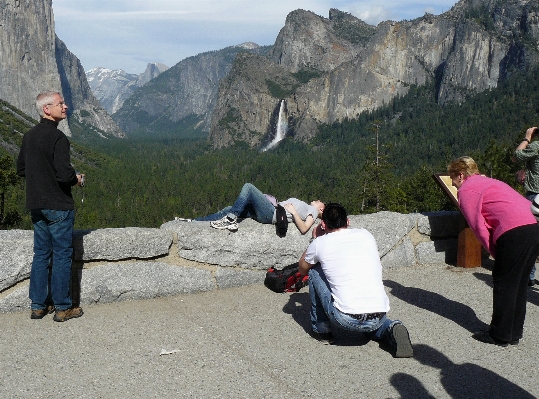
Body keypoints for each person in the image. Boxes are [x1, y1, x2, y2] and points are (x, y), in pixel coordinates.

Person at [298, 202, 414, 358]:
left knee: (314, 271)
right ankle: (392, 327)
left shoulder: (320, 243)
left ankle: (322, 330)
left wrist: (315, 239)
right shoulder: (365, 234)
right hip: (379, 314)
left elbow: (302, 268)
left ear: (323, 224)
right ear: (348, 221)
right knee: (373, 324)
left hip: (346, 319)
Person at [448, 156, 539, 346]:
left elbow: (478, 227)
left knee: (504, 283)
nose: (454, 184)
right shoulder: (489, 181)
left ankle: (499, 335)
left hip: (512, 232)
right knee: (519, 283)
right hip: (533, 226)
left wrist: (495, 252)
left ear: (461, 175)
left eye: (453, 178)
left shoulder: (466, 190)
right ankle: (513, 333)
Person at [17, 91, 85, 322]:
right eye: (60, 103)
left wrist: (41, 174)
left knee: (41, 254)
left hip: (36, 205)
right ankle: (63, 307)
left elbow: (22, 170)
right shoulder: (58, 138)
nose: (65, 107)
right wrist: (77, 178)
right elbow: (64, 174)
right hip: (58, 205)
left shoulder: (28, 136)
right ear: (47, 109)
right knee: (63, 255)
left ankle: (38, 306)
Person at [195, 183, 325, 234]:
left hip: (271, 213)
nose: (318, 200)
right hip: (269, 211)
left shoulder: (312, 210)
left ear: (321, 210)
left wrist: (294, 212)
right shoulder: (311, 208)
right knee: (230, 208)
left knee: (249, 187)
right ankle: (196, 221)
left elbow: (304, 228)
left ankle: (230, 219)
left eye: (320, 202)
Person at [513, 126, 539, 287]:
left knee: (532, 235)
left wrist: (527, 137)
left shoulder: (536, 146)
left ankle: (529, 276)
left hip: (535, 195)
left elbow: (516, 156)